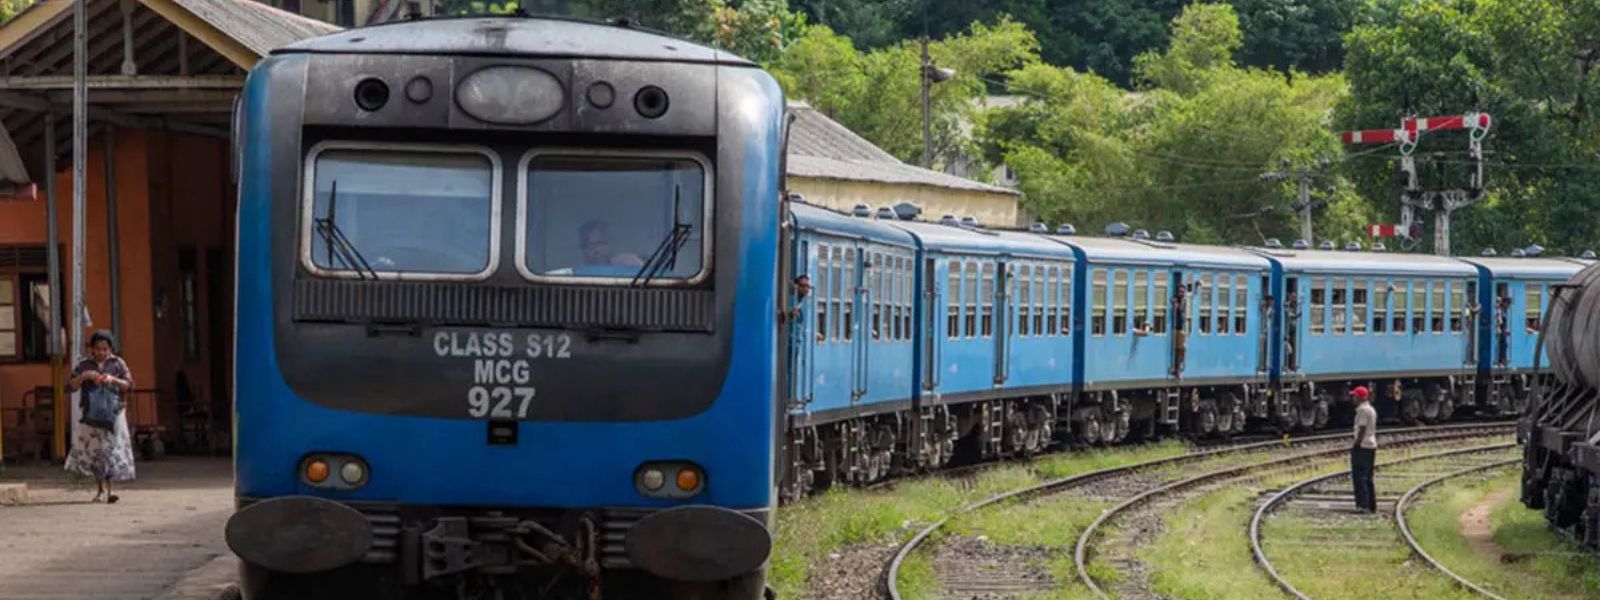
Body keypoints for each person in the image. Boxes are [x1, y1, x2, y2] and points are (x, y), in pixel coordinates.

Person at [63, 330, 137, 503]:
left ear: (110, 349)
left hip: (114, 414)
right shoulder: (84, 365)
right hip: (91, 414)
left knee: (110, 452)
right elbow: (69, 387)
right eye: (98, 349)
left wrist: (113, 380)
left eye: (105, 349)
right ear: (92, 349)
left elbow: (129, 385)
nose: (101, 352)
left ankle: (111, 491)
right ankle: (100, 490)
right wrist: (84, 377)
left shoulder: (118, 363)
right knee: (96, 452)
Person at [1350, 385, 1377, 513]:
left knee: (1360, 477)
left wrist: (1357, 443)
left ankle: (1363, 505)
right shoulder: (1371, 409)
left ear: (1360, 397)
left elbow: (1362, 428)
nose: (1353, 398)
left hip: (1363, 446)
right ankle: (1371, 505)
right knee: (1368, 477)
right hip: (1371, 445)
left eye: (1354, 396)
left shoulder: (1362, 410)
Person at [579, 220, 644, 267]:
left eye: (600, 244)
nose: (596, 250)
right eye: (591, 245)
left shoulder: (630, 262)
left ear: (610, 243)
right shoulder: (578, 270)